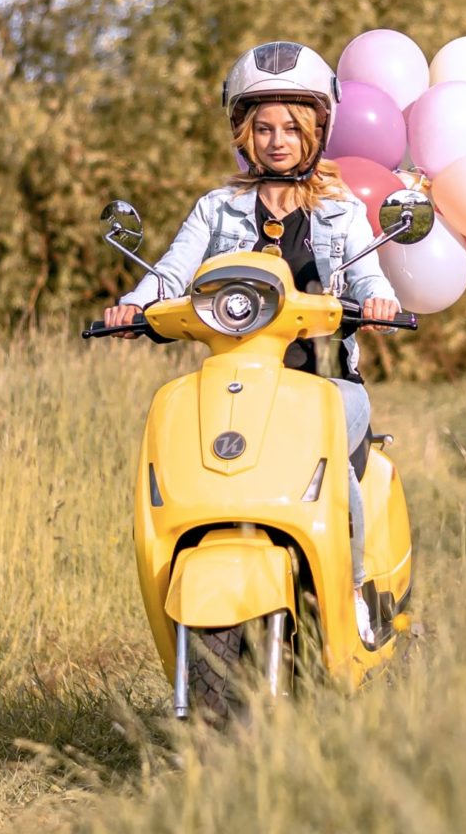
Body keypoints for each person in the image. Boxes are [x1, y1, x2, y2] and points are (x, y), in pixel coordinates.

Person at [105, 41, 400, 645]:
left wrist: (380, 300)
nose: (277, 140)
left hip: (323, 384)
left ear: (319, 130)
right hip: (235, 381)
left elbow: (369, 274)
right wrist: (135, 304)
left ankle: (351, 586)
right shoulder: (218, 209)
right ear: (242, 133)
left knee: (337, 460)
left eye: (293, 126)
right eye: (262, 127)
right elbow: (172, 270)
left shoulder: (341, 211)